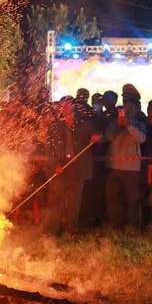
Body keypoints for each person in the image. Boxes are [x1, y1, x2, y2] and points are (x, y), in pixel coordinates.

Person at [42, 101, 101, 236]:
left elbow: (98, 134)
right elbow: (49, 149)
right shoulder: (55, 127)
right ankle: (51, 229)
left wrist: (96, 136)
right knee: (56, 199)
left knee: (75, 200)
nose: (67, 109)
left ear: (74, 107)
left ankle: (70, 228)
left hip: (77, 167)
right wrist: (55, 164)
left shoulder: (82, 124)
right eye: (64, 106)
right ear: (61, 109)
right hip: (60, 167)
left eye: (69, 106)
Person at [105, 101, 147, 231]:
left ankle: (131, 224)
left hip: (131, 168)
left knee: (131, 198)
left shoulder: (139, 124)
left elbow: (141, 139)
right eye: (124, 110)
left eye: (129, 110)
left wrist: (128, 125)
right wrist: (118, 124)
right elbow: (108, 136)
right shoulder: (114, 123)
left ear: (134, 112)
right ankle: (115, 222)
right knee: (112, 196)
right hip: (113, 166)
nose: (127, 112)